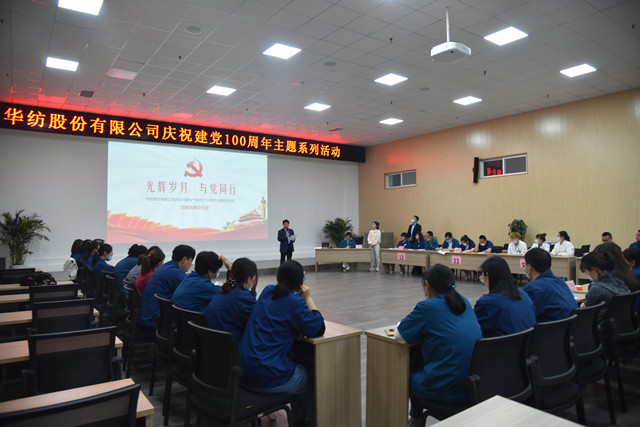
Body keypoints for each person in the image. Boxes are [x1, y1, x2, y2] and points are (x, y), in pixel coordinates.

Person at [239, 261, 325, 427]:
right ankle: (308, 422)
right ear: (301, 282)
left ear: (278, 278)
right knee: (312, 376)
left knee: (297, 362)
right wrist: (307, 297)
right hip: (265, 377)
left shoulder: (267, 291)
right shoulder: (295, 302)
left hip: (243, 372)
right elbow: (318, 327)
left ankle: (298, 419)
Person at [395, 265, 481, 427]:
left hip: (446, 386)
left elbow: (399, 336)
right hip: (472, 384)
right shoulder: (464, 302)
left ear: (427, 285)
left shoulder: (427, 307)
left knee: (408, 368)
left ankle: (414, 420)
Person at [474, 257, 536, 337]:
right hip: (528, 343)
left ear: (487, 275)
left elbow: (474, 329)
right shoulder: (523, 295)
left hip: (503, 344)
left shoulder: (488, 302)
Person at [139, 244, 195, 328]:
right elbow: (192, 291)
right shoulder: (176, 273)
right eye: (191, 260)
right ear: (184, 260)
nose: (191, 264)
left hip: (148, 315)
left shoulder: (165, 267)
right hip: (155, 320)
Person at [205, 258, 258, 341]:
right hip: (230, 344)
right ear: (248, 279)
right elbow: (257, 320)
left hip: (212, 341)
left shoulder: (223, 291)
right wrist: (252, 292)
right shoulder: (243, 298)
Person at [522, 248, 577, 322]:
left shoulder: (532, 288)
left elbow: (523, 317)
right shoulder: (560, 281)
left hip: (549, 328)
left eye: (525, 265)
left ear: (529, 267)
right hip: (570, 327)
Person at [579, 252, 630, 323]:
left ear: (593, 270)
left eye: (586, 271)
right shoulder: (620, 281)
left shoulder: (597, 289)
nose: (586, 274)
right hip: (621, 324)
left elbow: (586, 314)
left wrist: (583, 306)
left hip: (600, 326)